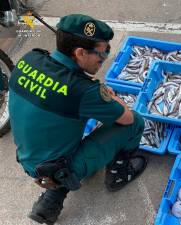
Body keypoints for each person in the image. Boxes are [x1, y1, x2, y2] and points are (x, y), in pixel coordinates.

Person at [8, 14, 147, 225]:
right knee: (136, 122)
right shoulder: (83, 89)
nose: (104, 58)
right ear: (80, 52)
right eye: (102, 53)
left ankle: (53, 195)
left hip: (29, 159)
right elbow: (126, 118)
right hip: (59, 166)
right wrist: (110, 95)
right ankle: (118, 173)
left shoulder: (30, 58)